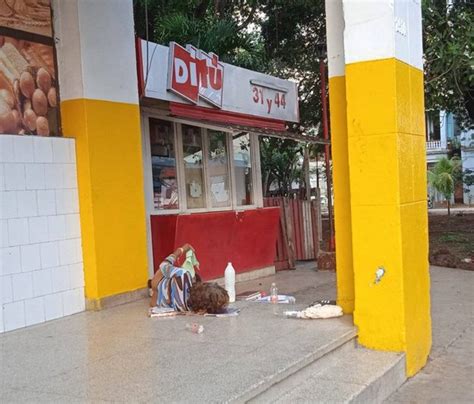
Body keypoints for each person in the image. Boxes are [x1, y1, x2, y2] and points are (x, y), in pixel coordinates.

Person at [149, 244, 229, 314]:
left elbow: (164, 265)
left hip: (157, 280)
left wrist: (181, 250)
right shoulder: (187, 309)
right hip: (155, 302)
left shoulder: (184, 276)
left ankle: (152, 285)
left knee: (169, 270)